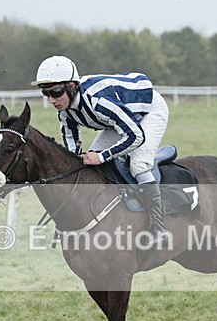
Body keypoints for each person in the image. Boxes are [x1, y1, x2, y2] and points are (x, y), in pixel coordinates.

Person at [31, 55, 171, 246]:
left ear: (71, 86)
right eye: (46, 93)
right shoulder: (65, 111)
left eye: (55, 92)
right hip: (118, 117)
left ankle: (159, 228)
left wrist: (103, 156)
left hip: (149, 110)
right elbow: (71, 147)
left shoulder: (98, 102)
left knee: (138, 165)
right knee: (88, 166)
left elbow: (136, 136)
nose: (51, 100)